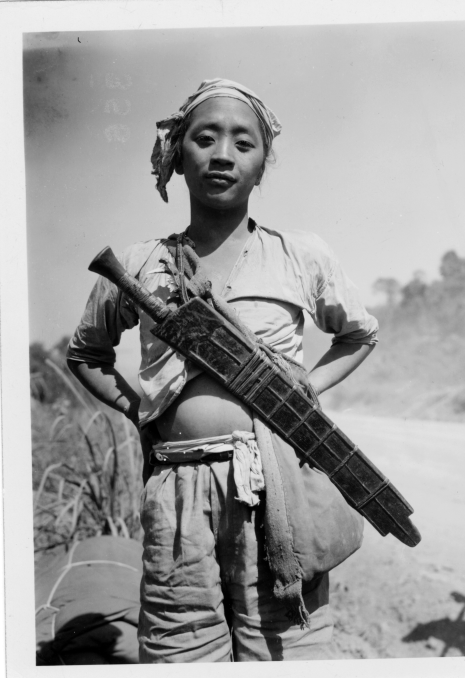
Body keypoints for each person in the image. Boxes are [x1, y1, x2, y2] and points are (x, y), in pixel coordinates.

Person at [67, 78, 379, 662]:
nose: (222, 155)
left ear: (263, 166)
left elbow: (358, 334)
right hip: (179, 487)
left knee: (286, 643)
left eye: (244, 143)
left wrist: (304, 387)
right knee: (180, 644)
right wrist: (141, 408)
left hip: (280, 484)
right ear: (176, 157)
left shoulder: (298, 253)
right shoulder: (140, 263)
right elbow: (86, 354)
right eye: (204, 139)